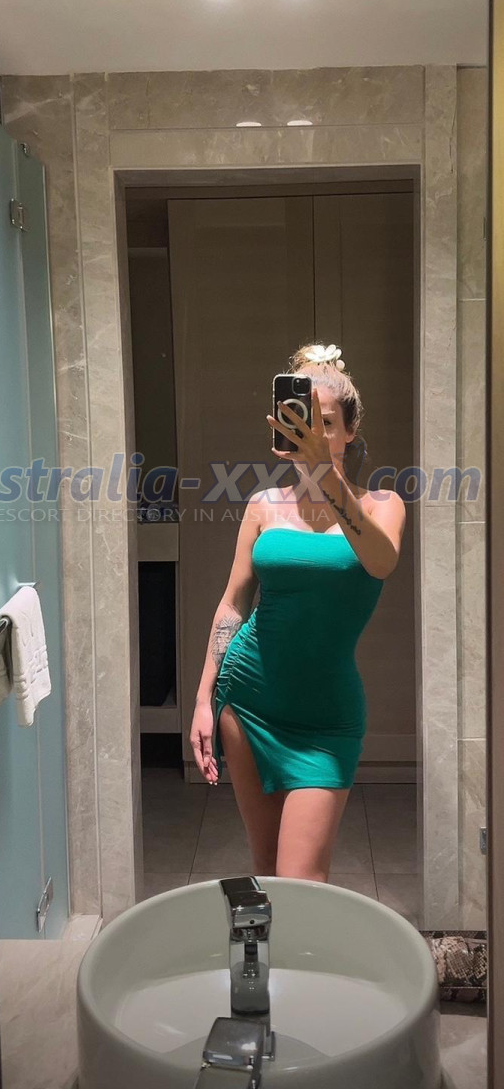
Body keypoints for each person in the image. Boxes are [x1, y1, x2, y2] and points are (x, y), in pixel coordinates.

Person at [188, 342, 406, 882]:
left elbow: (380, 562)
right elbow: (234, 602)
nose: (315, 435)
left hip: (326, 719)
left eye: (326, 424)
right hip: (248, 699)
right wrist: (203, 698)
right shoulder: (263, 505)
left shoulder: (383, 505)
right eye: (304, 422)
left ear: (350, 431)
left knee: (303, 883)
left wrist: (326, 476)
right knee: (265, 868)